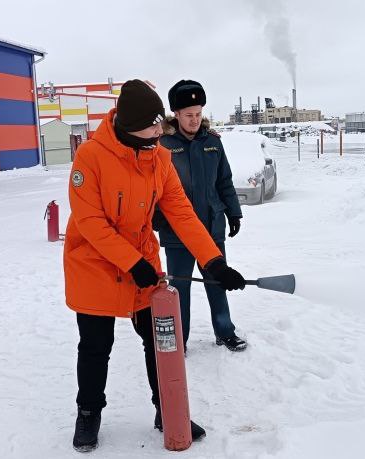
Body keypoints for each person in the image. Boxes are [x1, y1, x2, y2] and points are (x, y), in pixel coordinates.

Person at [63, 79, 248, 452]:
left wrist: (213, 260)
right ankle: (88, 414)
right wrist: (131, 262)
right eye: (152, 127)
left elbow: (180, 211)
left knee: (160, 340)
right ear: (128, 126)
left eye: (159, 125)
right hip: (94, 263)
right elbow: (90, 221)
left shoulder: (159, 156)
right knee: (96, 345)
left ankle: (167, 409)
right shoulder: (91, 157)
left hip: (142, 261)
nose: (158, 131)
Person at [154, 79, 248, 352]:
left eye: (198, 114)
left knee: (218, 283)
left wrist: (234, 212)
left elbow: (224, 182)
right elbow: (153, 187)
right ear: (176, 115)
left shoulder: (213, 143)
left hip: (211, 227)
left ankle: (225, 331)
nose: (194, 120)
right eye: (188, 115)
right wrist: (156, 217)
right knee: (178, 289)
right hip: (176, 233)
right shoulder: (163, 146)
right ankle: (179, 341)